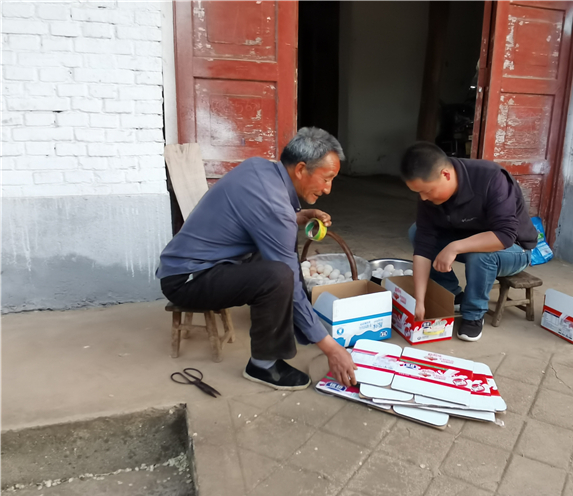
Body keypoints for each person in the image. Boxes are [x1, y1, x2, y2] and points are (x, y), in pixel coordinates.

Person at [156, 128, 357, 390]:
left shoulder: (258, 168)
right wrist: (332, 349)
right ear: (300, 169)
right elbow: (286, 266)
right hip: (187, 280)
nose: (328, 189)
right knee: (279, 276)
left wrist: (296, 216)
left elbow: (259, 215)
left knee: (279, 258)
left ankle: (299, 326)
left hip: (205, 265)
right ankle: (263, 365)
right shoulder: (274, 205)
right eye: (327, 178)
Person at [400, 142, 538, 342]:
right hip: (468, 240)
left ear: (446, 175)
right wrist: (419, 301)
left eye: (427, 191)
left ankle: (473, 314)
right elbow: (423, 245)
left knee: (479, 254)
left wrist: (454, 247)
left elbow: (505, 236)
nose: (423, 198)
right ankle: (455, 295)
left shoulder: (492, 178)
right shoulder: (428, 196)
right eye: (418, 192)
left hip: (514, 250)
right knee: (416, 231)